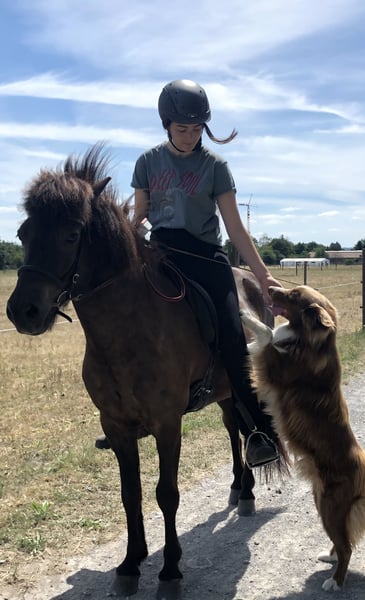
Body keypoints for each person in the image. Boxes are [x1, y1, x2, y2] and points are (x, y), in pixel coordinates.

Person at [101, 79, 281, 468]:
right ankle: (125, 410)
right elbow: (140, 216)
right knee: (123, 320)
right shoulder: (147, 162)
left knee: (233, 334)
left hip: (206, 258)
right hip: (161, 254)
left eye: (197, 128)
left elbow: (235, 228)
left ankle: (257, 431)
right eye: (182, 128)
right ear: (166, 124)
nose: (190, 136)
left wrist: (264, 278)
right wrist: (128, 239)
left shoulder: (215, 167)